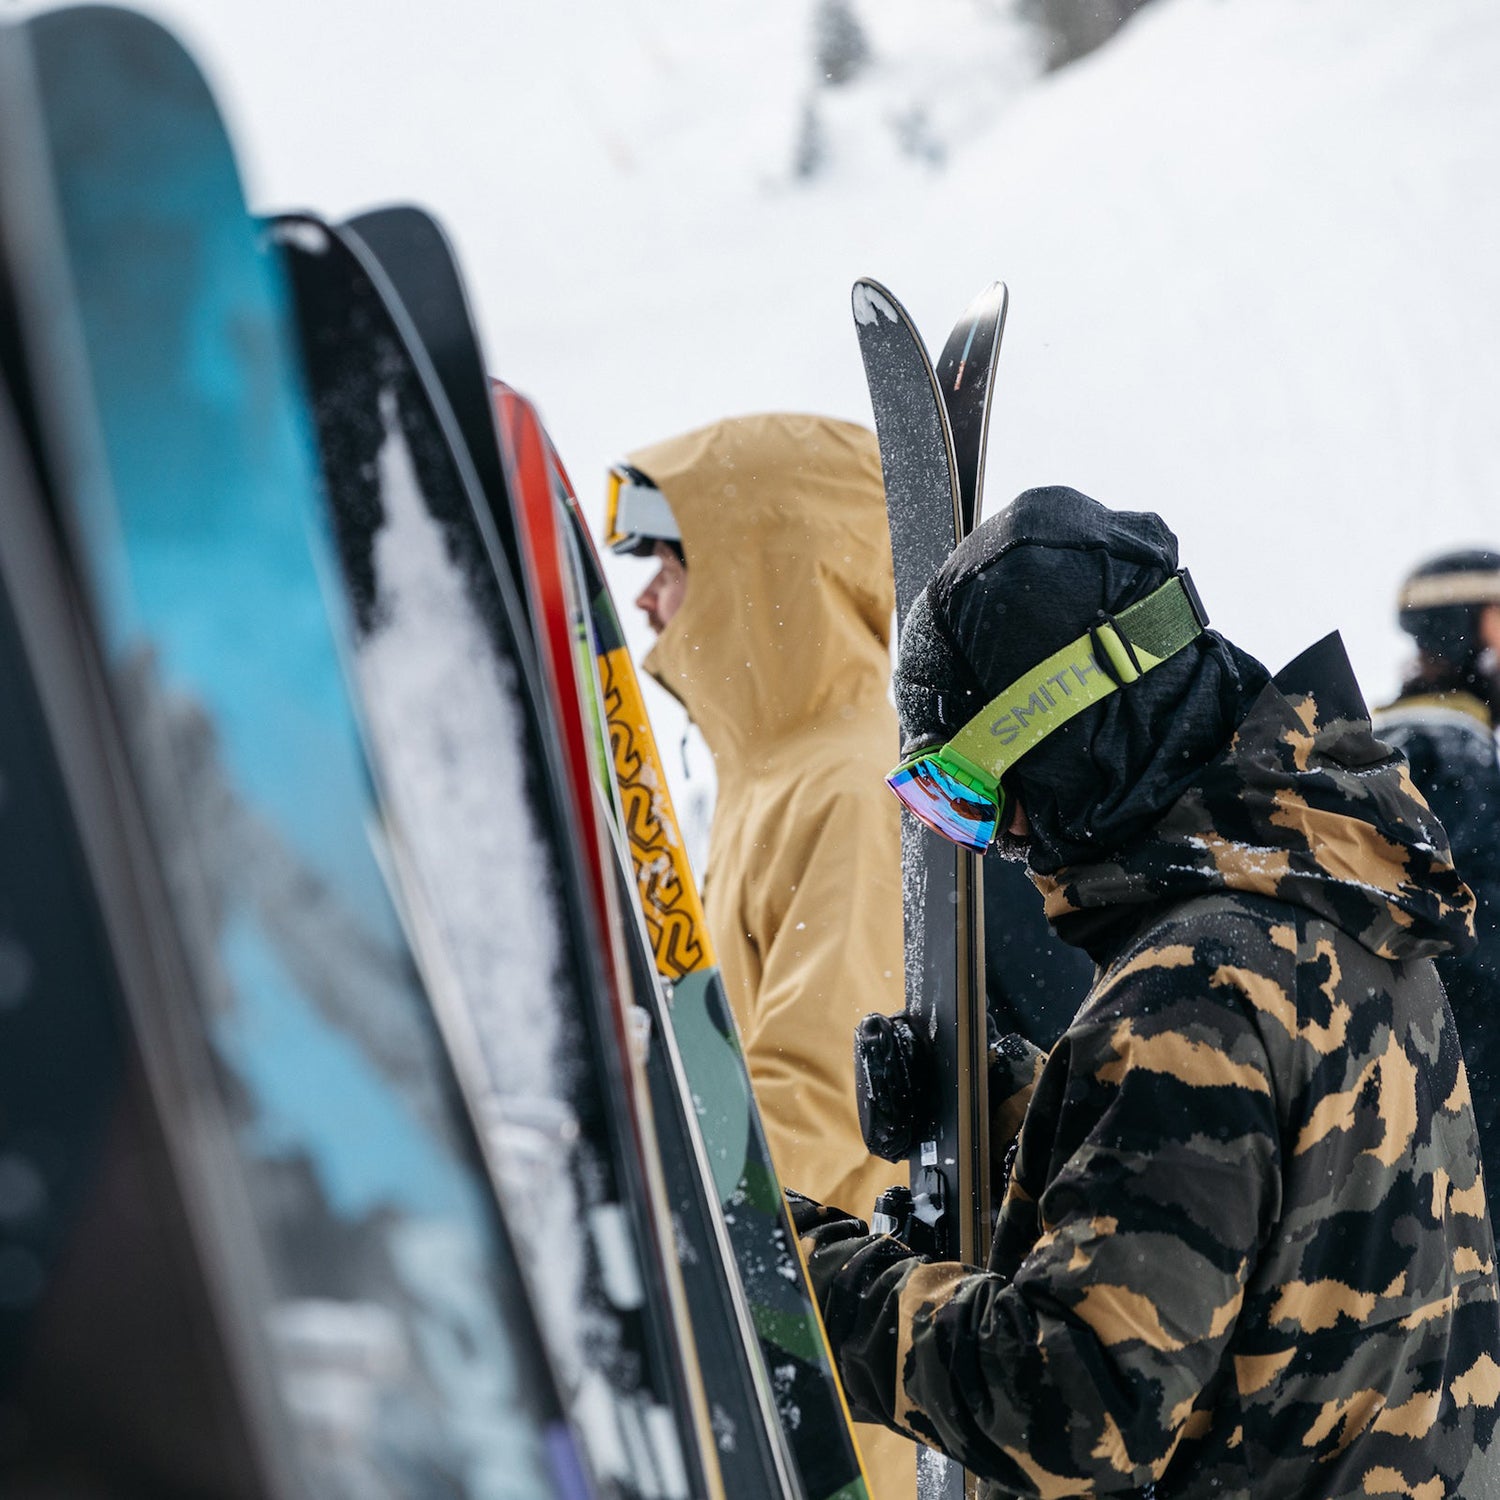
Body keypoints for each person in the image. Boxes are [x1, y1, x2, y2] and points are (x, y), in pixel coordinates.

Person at [791, 486, 1500, 1497]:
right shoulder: (1340, 901)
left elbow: (1074, 1409)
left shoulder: (1196, 988)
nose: (1001, 835)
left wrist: (806, 1276)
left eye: (974, 789)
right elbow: (1272, 1208)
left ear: (1070, 733)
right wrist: (1020, 1105)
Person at [607, 412, 916, 1500]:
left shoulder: (851, 785)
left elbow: (828, 1096)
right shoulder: (769, 784)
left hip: (836, 1386)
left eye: (670, 558)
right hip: (778, 1348)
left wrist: (651, 1232)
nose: (645, 596)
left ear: (765, 559)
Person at [1372, 550, 1500, 1194]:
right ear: (1467, 631)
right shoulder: (1452, 761)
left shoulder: (1371, 752)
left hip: (1402, 1126)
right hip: (1467, 1117)